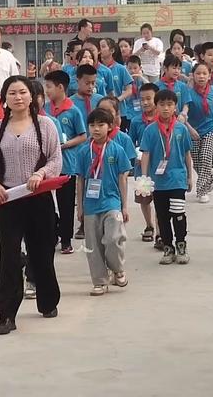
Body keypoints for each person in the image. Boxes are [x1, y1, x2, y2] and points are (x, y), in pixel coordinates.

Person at [0, 76, 62, 335]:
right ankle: (6, 314)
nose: (17, 97)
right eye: (12, 93)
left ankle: (48, 301)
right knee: (9, 255)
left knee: (41, 253)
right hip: (8, 201)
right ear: (4, 98)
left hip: (38, 199)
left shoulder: (45, 125)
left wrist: (40, 174)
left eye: (22, 92)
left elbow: (55, 159)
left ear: (32, 96)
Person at [76, 108, 131, 296]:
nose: (96, 129)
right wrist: (80, 207)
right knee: (93, 245)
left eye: (101, 125)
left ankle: (118, 269)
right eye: (92, 125)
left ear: (110, 127)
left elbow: (123, 178)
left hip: (112, 202)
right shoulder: (84, 152)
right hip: (91, 205)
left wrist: (124, 206)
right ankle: (99, 281)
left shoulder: (117, 149)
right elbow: (80, 180)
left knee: (113, 239)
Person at [140, 89, 192, 265]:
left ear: (175, 107)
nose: (165, 108)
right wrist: (145, 178)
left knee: (178, 214)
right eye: (162, 104)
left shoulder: (181, 129)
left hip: (177, 179)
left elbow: (187, 154)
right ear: (156, 106)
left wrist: (190, 177)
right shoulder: (150, 130)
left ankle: (181, 244)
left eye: (169, 104)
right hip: (158, 182)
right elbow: (145, 154)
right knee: (162, 217)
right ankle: (168, 247)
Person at [44, 70, 87, 254]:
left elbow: (83, 136)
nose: (46, 91)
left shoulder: (73, 110)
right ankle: (51, 233)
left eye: (49, 86)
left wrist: (64, 145)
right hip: (46, 164)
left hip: (67, 163)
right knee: (46, 203)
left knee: (66, 203)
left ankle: (66, 239)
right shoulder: (44, 109)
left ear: (61, 87)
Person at [186, 62, 213, 202]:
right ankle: (209, 177)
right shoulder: (188, 93)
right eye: (198, 73)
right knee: (198, 163)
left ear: (209, 76)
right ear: (193, 75)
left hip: (210, 128)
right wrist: (189, 128)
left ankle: (201, 191)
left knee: (205, 158)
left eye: (204, 73)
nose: (201, 76)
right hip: (193, 131)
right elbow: (183, 111)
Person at [128, 83, 161, 246]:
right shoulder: (136, 121)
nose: (145, 103)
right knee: (144, 199)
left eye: (149, 98)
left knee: (160, 199)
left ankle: (161, 232)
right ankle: (149, 225)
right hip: (142, 168)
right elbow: (131, 143)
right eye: (142, 100)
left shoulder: (162, 120)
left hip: (160, 168)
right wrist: (135, 155)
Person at [99, 38, 133, 131]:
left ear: (112, 50)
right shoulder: (98, 70)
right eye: (99, 47)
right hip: (101, 111)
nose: (100, 49)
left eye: (103, 46)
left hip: (120, 111)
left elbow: (129, 90)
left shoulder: (121, 68)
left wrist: (117, 99)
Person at [97, 96, 137, 162]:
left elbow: (130, 164)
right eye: (101, 111)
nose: (105, 114)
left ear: (117, 114)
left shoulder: (124, 139)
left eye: (109, 111)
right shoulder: (92, 139)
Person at [155, 55, 191, 122]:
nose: (177, 71)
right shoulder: (156, 86)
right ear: (165, 68)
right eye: (174, 68)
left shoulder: (182, 86)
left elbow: (186, 103)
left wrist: (184, 113)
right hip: (161, 120)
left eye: (179, 69)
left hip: (178, 120)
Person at [125, 55, 148, 123]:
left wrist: (141, 77)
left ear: (140, 68)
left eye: (135, 68)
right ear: (126, 68)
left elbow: (152, 88)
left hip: (141, 112)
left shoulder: (141, 80)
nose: (132, 71)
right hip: (128, 113)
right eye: (130, 68)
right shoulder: (124, 81)